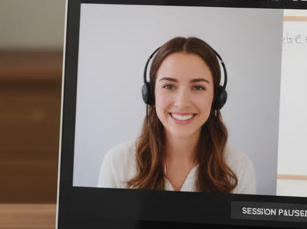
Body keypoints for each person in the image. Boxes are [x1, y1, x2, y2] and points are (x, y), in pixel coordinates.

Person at [98, 36, 256, 193]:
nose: (182, 103)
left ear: (216, 96)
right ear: (151, 94)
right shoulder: (117, 164)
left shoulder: (238, 167)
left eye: (198, 87)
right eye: (169, 86)